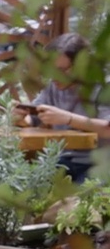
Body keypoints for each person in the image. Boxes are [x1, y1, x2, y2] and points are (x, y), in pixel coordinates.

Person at [10, 33, 109, 183]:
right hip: (63, 160)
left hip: (100, 164)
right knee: (27, 186)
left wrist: (68, 118)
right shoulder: (54, 86)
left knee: (80, 201)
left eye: (62, 70)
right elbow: (34, 118)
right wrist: (22, 118)